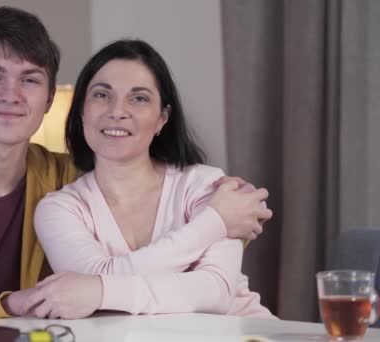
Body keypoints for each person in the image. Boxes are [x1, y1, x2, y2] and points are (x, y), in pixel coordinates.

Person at [0, 7, 267, 335]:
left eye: (30, 79)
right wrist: (6, 305)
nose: (11, 94)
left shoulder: (65, 175)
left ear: (48, 100)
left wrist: (225, 211)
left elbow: (185, 263)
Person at [32, 39, 275, 319]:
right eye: (101, 95)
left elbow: (215, 293)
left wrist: (100, 290)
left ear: (162, 118)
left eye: (139, 98)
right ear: (81, 111)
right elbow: (89, 293)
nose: (117, 111)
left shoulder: (207, 187)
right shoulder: (59, 209)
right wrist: (215, 222)